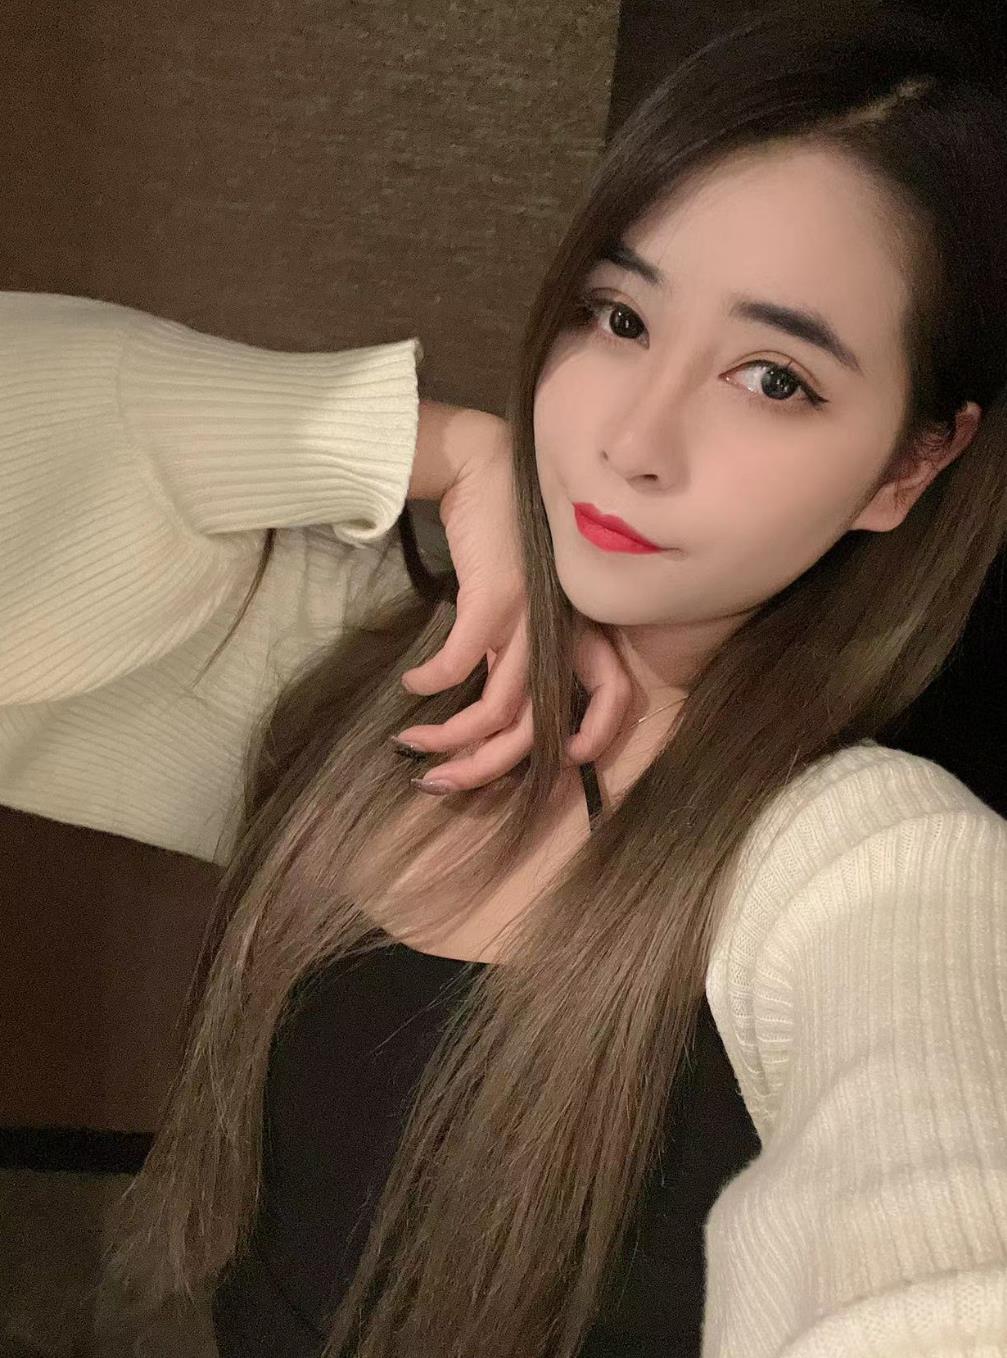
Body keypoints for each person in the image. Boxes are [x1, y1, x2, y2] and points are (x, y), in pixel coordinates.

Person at [5, 3, 1005, 1355]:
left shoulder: (872, 863)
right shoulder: (376, 674)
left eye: (773, 378)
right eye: (621, 315)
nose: (636, 441)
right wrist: (425, 444)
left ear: (908, 467)